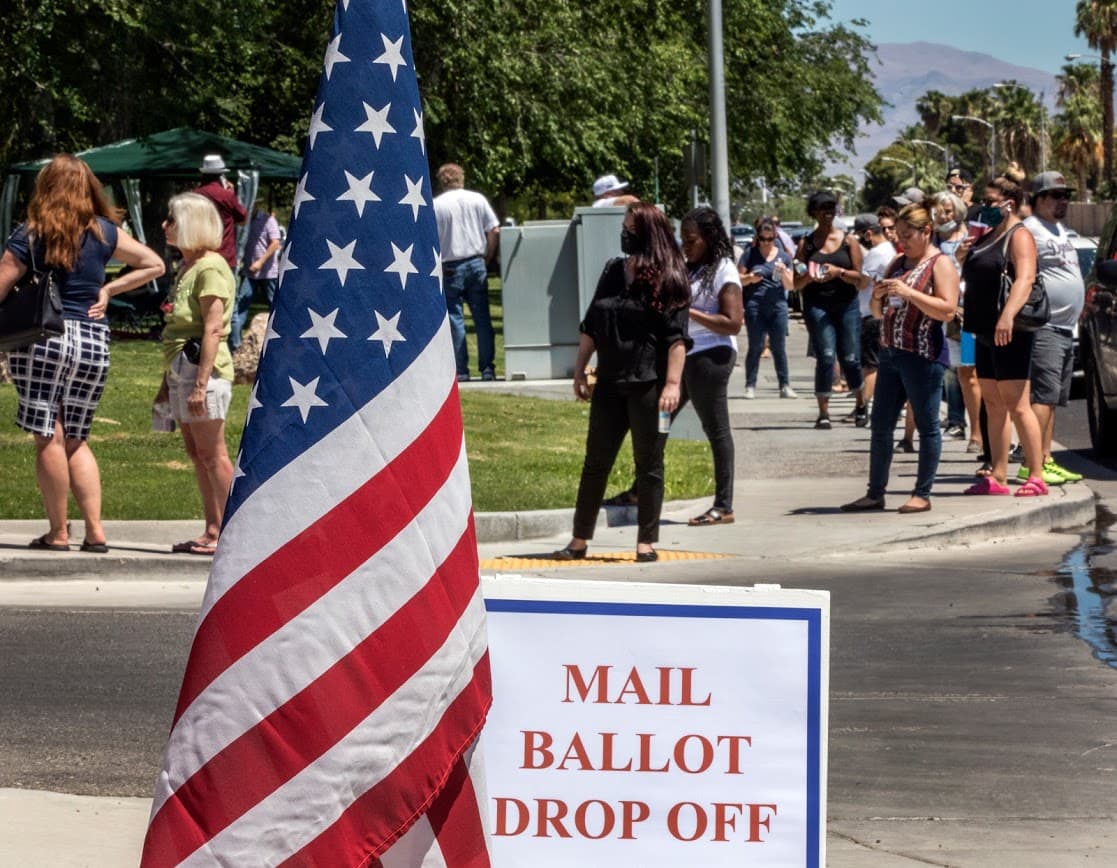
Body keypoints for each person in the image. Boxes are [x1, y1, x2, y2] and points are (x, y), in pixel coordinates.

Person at [0, 155, 164, 552]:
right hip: (92, 338)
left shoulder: (31, 233)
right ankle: (95, 531)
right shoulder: (105, 231)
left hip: (43, 338)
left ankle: (58, 533)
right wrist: (108, 290)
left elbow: (3, 281)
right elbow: (154, 264)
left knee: (48, 434)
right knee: (77, 437)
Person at [555, 202, 690, 562]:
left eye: (631, 228)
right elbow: (591, 325)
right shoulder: (614, 270)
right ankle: (579, 539)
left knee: (649, 463)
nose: (625, 234)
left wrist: (673, 385)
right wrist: (581, 369)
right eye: (624, 227)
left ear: (648, 232)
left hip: (650, 387)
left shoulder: (671, 277)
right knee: (595, 462)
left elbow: (677, 340)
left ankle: (646, 541)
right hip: (610, 384)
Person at [841, 203, 959, 514]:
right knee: (880, 425)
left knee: (927, 423)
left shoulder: (939, 264)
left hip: (923, 354)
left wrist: (909, 293)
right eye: (899, 236)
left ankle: (922, 492)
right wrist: (879, 297)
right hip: (891, 352)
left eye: (908, 236)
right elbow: (880, 314)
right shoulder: (897, 263)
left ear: (926, 232)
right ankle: (875, 492)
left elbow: (947, 309)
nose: (902, 242)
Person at [960, 176, 1048, 497]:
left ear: (1008, 203)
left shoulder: (1019, 235)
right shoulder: (986, 235)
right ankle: (998, 474)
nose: (985, 206)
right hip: (983, 327)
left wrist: (1007, 315)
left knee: (1018, 403)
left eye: (991, 200)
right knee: (993, 402)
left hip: (1008, 328)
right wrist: (962, 255)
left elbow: (1025, 279)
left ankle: (1036, 475)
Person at [161, 193, 237, 555]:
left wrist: (201, 384)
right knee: (197, 452)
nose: (165, 226)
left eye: (172, 220)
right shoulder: (188, 267)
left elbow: (213, 327)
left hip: (202, 373)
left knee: (213, 453)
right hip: (182, 371)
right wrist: (167, 385)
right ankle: (212, 528)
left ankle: (229, 531)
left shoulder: (210, 267)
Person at [678, 206, 743, 525]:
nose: (685, 246)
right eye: (683, 240)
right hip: (683, 356)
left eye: (691, 240)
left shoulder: (723, 270)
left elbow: (733, 323)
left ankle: (724, 505)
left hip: (712, 356)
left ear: (708, 238)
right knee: (656, 421)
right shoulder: (689, 267)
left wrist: (688, 312)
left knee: (715, 429)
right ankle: (640, 490)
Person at [1021, 171, 1085, 485]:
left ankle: (1046, 458)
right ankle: (1031, 462)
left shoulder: (1059, 230)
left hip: (1064, 327)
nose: (1063, 202)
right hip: (1044, 326)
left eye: (1066, 196)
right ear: (1038, 199)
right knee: (1042, 397)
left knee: (1054, 398)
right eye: (1056, 196)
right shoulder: (1030, 230)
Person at [794, 190, 867, 429]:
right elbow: (796, 283)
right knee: (825, 356)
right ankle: (823, 413)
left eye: (831, 208)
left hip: (847, 305)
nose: (828, 213)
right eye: (823, 208)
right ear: (813, 212)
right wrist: (810, 277)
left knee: (851, 357)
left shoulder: (848, 241)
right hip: (817, 305)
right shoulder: (806, 243)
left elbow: (861, 279)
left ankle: (860, 404)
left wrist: (840, 273)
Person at [433, 162, 500, 382]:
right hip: (475, 261)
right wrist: (487, 256)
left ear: (442, 181)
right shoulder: (477, 200)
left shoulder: (436, 205)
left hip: (450, 265)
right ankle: (487, 368)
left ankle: (462, 370)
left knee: (455, 320)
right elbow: (493, 229)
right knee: (482, 318)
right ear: (461, 178)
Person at [740, 216, 795, 399]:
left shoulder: (783, 256)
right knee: (755, 345)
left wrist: (784, 272)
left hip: (778, 305)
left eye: (770, 239)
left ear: (775, 238)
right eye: (762, 239)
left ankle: (784, 385)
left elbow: (790, 286)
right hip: (755, 305)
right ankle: (750, 385)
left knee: (779, 346)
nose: (766, 243)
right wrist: (750, 279)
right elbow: (738, 280)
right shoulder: (750, 253)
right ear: (757, 238)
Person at [855, 213, 897, 418]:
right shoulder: (890, 249)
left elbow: (863, 282)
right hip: (882, 312)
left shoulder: (875, 253)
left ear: (869, 234)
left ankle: (864, 407)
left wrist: (844, 275)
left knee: (871, 364)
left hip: (871, 313)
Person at [230, 201, 282, 350]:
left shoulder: (268, 220)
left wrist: (260, 262)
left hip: (268, 272)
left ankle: (280, 341)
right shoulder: (243, 223)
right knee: (240, 307)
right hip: (249, 272)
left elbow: (275, 243)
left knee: (275, 306)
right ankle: (236, 344)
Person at [192, 154, 247, 271]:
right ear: (220, 175)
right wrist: (231, 193)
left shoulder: (194, 196)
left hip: (200, 256)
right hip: (224, 257)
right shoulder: (227, 195)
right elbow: (243, 220)